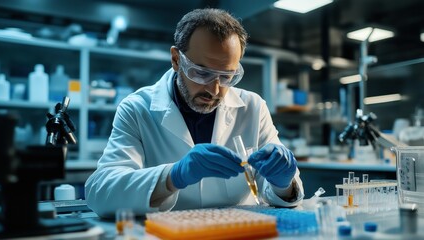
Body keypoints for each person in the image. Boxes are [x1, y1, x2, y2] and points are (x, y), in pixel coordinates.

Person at [85, 8, 304, 217]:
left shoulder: (253, 107)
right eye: (201, 73)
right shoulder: (137, 108)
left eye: (227, 76)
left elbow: (281, 194)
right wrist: (173, 176)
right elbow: (101, 193)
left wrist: (282, 183)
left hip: (239, 231)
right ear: (176, 60)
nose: (215, 89)